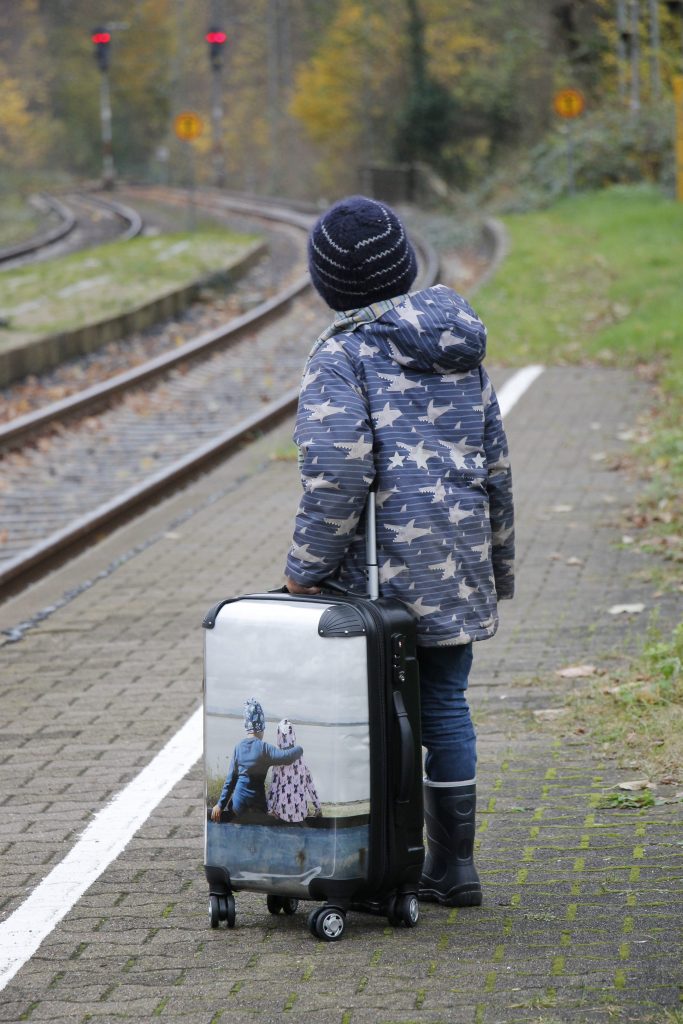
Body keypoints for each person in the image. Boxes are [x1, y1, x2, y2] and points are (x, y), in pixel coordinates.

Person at [284, 196, 515, 907]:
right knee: (444, 704)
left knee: (372, 715)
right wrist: (496, 566)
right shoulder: (458, 346)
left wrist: (304, 571)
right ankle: (454, 866)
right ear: (405, 263)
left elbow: (337, 474)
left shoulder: (342, 355)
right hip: (457, 560)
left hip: (377, 578)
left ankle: (377, 859)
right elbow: (496, 467)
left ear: (328, 284)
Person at [211, 698, 304, 823]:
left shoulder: (238, 748)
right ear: (261, 727)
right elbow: (286, 757)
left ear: (246, 725)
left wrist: (220, 805)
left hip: (239, 807)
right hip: (258, 809)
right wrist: (299, 749)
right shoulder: (265, 749)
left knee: (233, 802)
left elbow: (230, 781)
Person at [266, 719, 322, 823]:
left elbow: (273, 789)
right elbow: (310, 785)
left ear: (279, 736)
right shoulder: (301, 758)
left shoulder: (278, 760)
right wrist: (318, 807)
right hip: (301, 814)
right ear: (293, 735)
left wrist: (269, 810)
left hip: (282, 814)